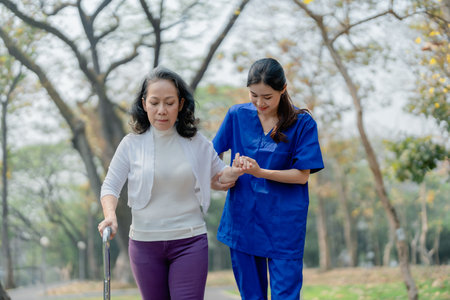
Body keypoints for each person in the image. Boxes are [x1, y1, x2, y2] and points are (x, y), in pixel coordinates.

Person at [97, 66, 241, 300]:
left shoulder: (197, 143)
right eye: (154, 103)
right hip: (144, 245)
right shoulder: (131, 145)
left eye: (169, 102)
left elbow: (220, 177)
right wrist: (110, 216)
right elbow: (111, 186)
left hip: (190, 241)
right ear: (144, 104)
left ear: (181, 104)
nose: (161, 110)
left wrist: (235, 171)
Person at [212, 58, 324, 299]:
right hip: (243, 222)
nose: (260, 103)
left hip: (283, 226)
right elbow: (211, 157)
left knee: (286, 295)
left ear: (283, 89)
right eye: (254, 95)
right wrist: (226, 173)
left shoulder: (303, 124)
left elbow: (302, 176)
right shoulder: (237, 116)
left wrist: (260, 172)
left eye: (267, 97)